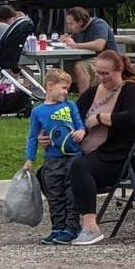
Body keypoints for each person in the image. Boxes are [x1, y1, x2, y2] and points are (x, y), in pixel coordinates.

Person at [68, 50, 135, 246]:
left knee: (79, 167)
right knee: (49, 172)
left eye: (106, 73)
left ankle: (90, 226)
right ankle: (66, 224)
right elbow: (71, 118)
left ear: (119, 70)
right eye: (98, 72)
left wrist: (103, 118)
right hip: (88, 151)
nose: (102, 77)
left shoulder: (131, 91)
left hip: (118, 156)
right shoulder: (91, 93)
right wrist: (51, 135)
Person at [23, 68, 86, 244]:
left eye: (68, 88)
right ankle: (57, 228)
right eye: (64, 88)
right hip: (53, 158)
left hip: (73, 155)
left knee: (71, 193)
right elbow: (33, 137)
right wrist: (30, 159)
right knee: (55, 194)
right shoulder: (38, 112)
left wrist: (81, 131)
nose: (66, 92)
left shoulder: (70, 105)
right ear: (50, 86)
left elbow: (79, 124)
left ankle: (71, 227)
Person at [62, 7, 118, 94]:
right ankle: (58, 100)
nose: (69, 27)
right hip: (88, 58)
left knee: (80, 66)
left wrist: (75, 45)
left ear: (80, 22)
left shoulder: (99, 24)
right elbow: (72, 42)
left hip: (106, 59)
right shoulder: (78, 30)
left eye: (71, 24)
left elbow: (99, 45)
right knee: (59, 67)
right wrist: (65, 40)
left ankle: (85, 101)